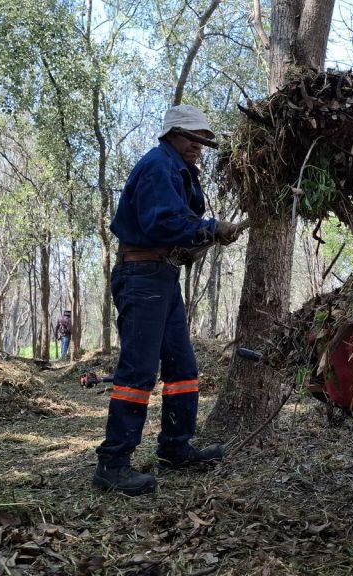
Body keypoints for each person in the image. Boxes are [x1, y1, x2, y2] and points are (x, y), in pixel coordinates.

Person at [93, 104, 245, 496]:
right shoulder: (158, 166)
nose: (198, 147)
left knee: (182, 366)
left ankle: (175, 447)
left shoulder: (179, 170)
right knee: (139, 371)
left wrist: (206, 233)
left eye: (203, 142)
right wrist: (211, 229)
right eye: (192, 139)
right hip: (141, 276)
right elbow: (162, 223)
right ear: (172, 135)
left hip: (162, 276)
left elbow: (181, 223)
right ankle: (113, 463)